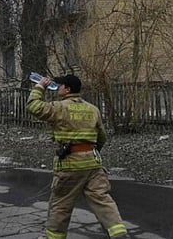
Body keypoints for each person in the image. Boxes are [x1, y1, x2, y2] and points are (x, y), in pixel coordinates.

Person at [26, 74, 128, 239]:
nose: (58, 88)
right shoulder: (92, 109)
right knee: (102, 199)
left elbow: (33, 106)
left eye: (60, 86)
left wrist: (40, 87)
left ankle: (54, 237)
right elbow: (102, 137)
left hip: (70, 164)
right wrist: (89, 152)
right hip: (93, 164)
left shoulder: (60, 107)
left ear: (67, 89)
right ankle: (119, 233)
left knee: (61, 204)